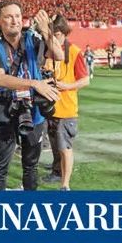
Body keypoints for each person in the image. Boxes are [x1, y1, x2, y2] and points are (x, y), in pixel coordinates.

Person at [0, 0, 64, 191]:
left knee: (31, 167)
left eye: (18, 16)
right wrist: (34, 84)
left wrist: (46, 30)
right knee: (1, 167)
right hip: (6, 110)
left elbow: (59, 55)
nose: (15, 21)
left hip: (32, 111)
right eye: (9, 16)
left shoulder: (32, 38)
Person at [43, 14, 89, 190]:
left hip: (66, 109)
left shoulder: (74, 52)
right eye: (52, 35)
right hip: (49, 108)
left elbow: (85, 80)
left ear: (64, 33)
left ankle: (65, 184)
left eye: (57, 35)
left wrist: (66, 85)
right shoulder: (47, 50)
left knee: (64, 147)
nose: (55, 38)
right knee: (55, 146)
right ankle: (57, 171)